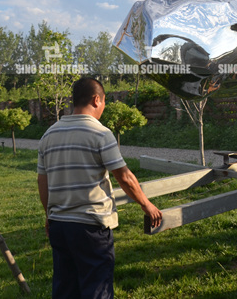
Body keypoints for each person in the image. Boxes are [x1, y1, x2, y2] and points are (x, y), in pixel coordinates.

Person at [37, 77, 163, 298]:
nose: (103, 107)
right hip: (90, 227)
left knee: (65, 288)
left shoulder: (49, 135)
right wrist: (146, 204)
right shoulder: (100, 133)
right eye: (104, 102)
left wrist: (49, 214)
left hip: (59, 226)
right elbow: (125, 177)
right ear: (96, 100)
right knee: (97, 288)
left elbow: (42, 181)